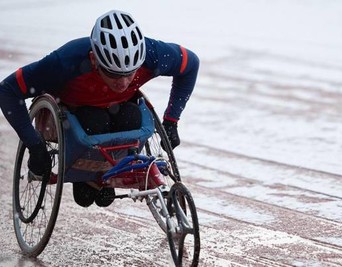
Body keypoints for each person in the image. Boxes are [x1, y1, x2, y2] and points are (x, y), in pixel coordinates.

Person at [0, 10, 199, 207]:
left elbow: (190, 64)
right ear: (94, 60)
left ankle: (102, 175)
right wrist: (35, 145)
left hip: (122, 110)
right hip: (78, 116)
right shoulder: (65, 62)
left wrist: (172, 120)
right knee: (95, 122)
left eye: (130, 74)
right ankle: (88, 178)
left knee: (131, 118)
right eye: (113, 74)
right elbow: (7, 90)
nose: (122, 82)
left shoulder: (152, 54)